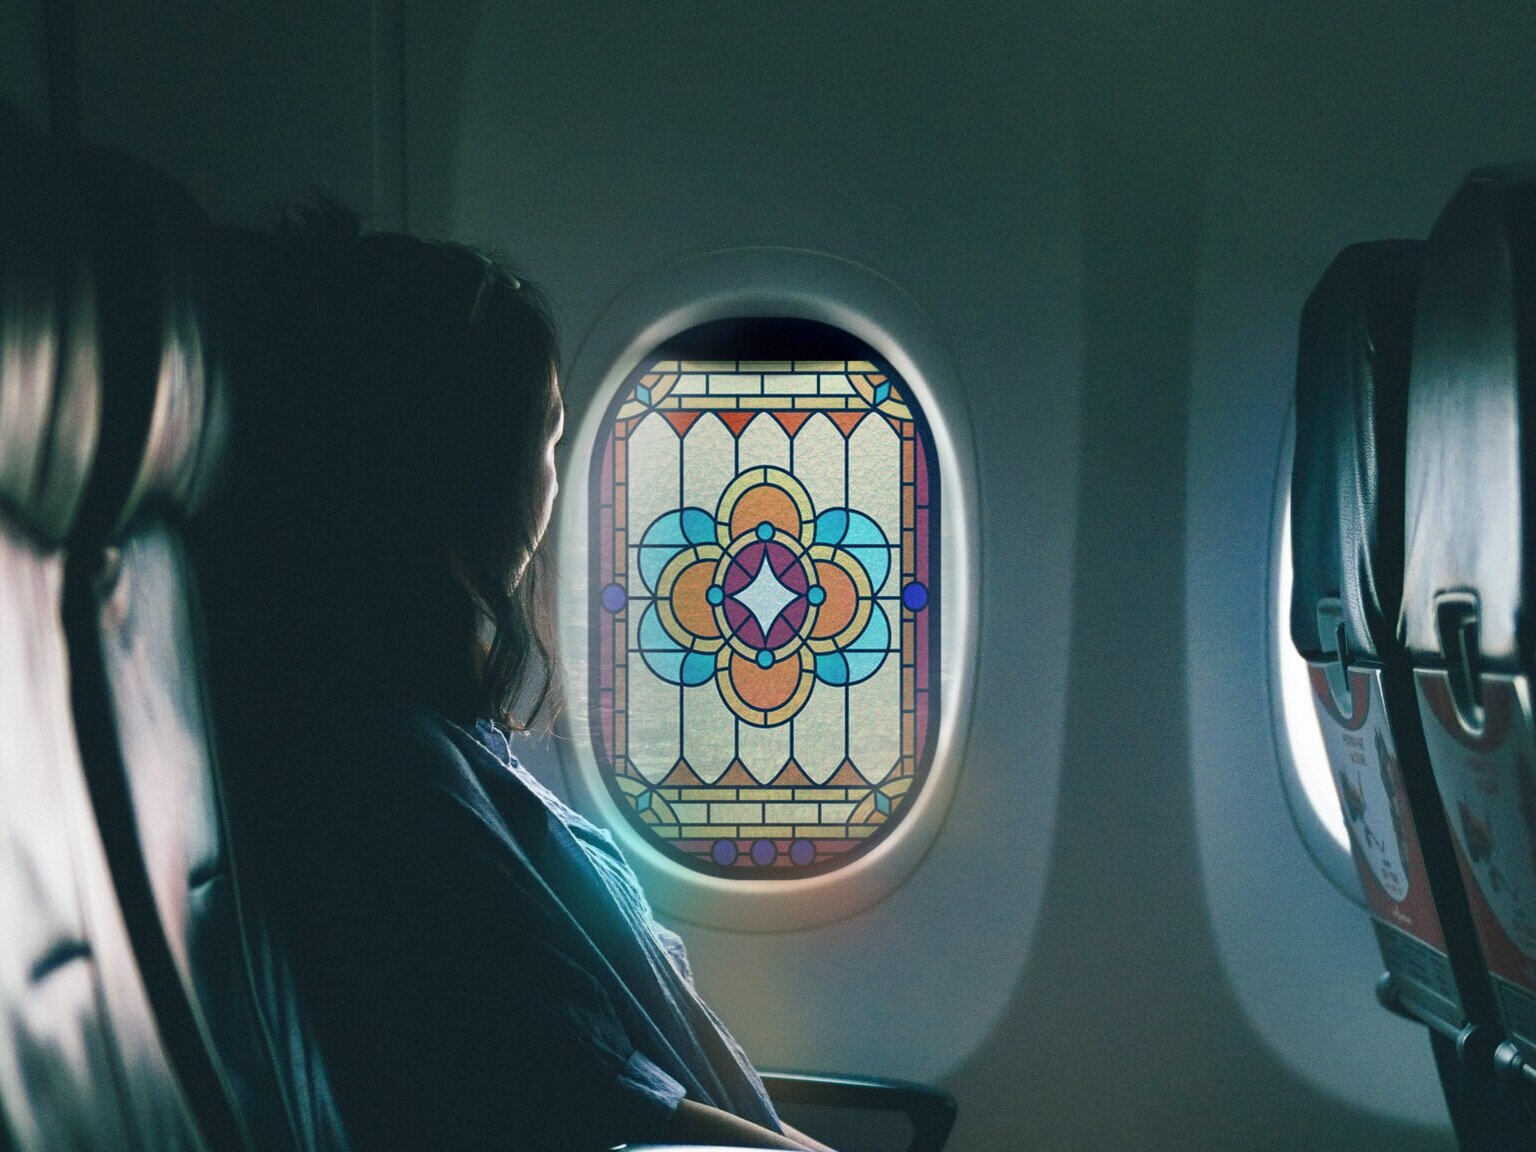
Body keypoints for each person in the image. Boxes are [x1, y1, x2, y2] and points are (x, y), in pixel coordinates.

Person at [199, 211, 833, 1152]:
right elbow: (587, 1101)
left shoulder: (433, 743)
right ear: (463, 467)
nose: (553, 478)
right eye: (545, 434)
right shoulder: (388, 779)